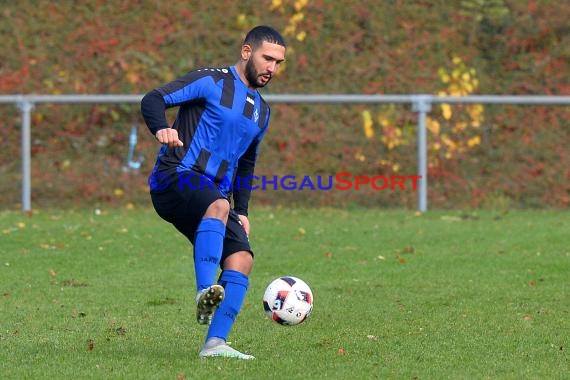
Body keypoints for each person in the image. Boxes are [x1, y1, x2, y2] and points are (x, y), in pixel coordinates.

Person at [140, 26, 286, 360]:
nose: (271, 68)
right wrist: (160, 127)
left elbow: (247, 162)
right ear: (247, 52)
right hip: (175, 177)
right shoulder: (212, 80)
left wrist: (244, 210)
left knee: (242, 258)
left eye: (278, 63)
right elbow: (154, 98)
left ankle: (215, 343)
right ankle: (206, 291)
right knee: (219, 205)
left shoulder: (262, 112)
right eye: (267, 58)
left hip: (213, 196)